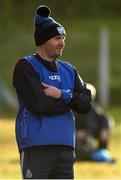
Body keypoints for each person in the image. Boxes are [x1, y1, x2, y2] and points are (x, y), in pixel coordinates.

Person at [13, 5, 91, 179]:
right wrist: (72, 102)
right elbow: (40, 104)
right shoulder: (25, 66)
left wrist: (61, 94)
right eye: (57, 38)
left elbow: (86, 104)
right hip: (36, 147)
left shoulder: (70, 70)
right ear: (43, 40)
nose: (62, 42)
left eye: (63, 37)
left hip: (65, 148)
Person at [75, 84, 115, 162]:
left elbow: (105, 118)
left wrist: (105, 129)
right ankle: (95, 156)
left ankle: (101, 152)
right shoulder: (72, 107)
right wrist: (75, 133)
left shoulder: (93, 108)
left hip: (87, 136)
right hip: (74, 137)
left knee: (104, 130)